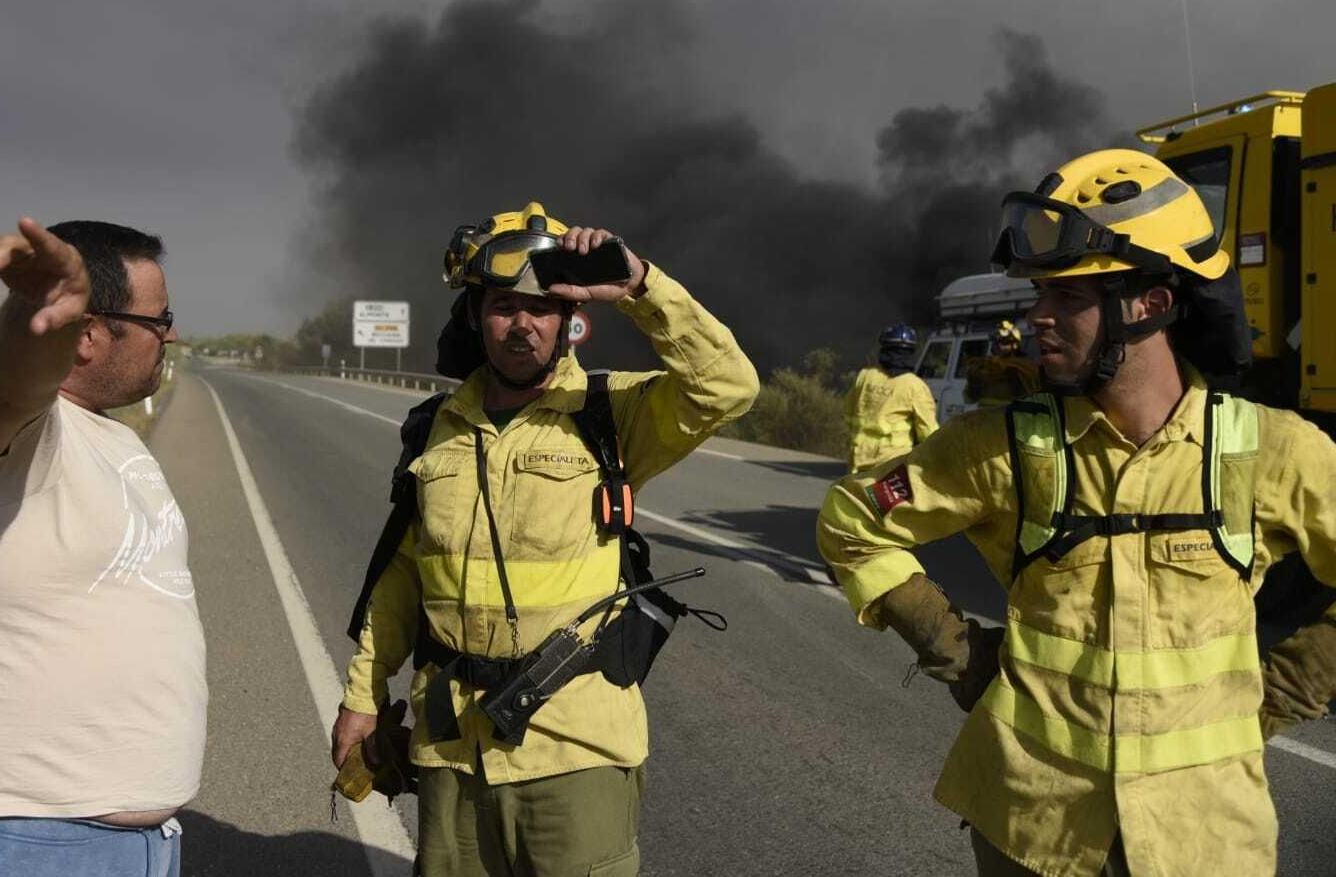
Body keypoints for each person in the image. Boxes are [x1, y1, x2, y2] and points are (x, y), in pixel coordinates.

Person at [816, 150, 1336, 877]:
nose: (1038, 318)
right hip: (1032, 835)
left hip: (1208, 843)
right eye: (1039, 295)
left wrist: (1288, 687)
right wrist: (954, 650)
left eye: (1068, 297)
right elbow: (849, 521)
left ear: (1150, 304)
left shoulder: (1277, 452)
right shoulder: (997, 449)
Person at [331, 202, 757, 876]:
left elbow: (728, 388)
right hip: (450, 750)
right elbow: (405, 577)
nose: (523, 325)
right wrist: (362, 696)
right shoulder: (434, 428)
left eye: (543, 307)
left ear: (569, 321)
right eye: (504, 305)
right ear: (475, 317)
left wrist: (641, 286)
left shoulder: (610, 415)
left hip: (572, 748)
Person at [0, 218, 203, 877]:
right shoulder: (13, 427)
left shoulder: (107, 435)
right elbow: (7, 388)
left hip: (125, 846)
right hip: (23, 846)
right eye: (159, 318)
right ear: (86, 334)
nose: (171, 334)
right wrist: (36, 318)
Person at [843, 324, 939, 471]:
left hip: (859, 457)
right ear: (911, 352)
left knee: (854, 493)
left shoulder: (866, 376)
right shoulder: (915, 386)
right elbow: (928, 431)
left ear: (884, 349)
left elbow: (848, 412)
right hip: (892, 464)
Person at [963, 319, 1040, 407]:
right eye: (997, 342)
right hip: (990, 411)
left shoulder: (1020, 367)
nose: (999, 346)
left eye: (1004, 342)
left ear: (1014, 344)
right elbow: (969, 397)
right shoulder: (987, 364)